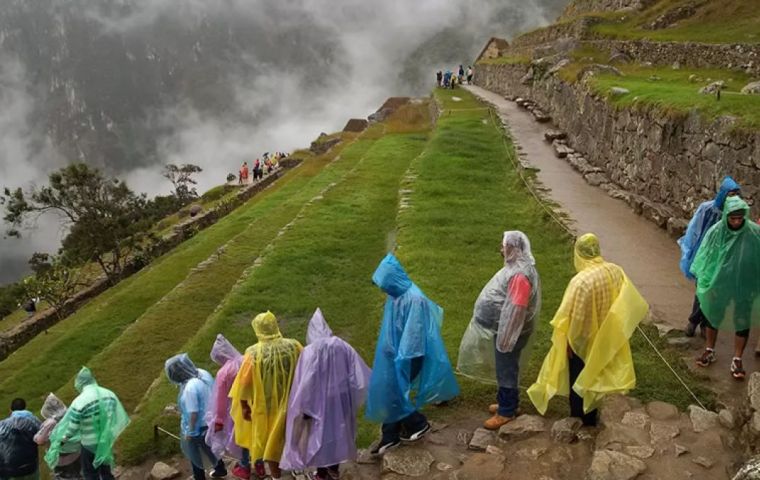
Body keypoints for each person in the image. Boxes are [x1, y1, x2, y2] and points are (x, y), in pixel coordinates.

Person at [528, 234, 648, 426]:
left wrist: (569, 342)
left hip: (585, 340)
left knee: (580, 378)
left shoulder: (581, 281)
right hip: (610, 334)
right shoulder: (616, 270)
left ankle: (580, 418)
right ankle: (598, 410)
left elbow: (575, 318)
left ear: (578, 253)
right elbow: (627, 300)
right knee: (601, 372)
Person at [366, 253, 459, 455]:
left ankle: (417, 424)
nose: (383, 290)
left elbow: (414, 339)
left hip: (410, 355)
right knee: (392, 388)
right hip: (398, 352)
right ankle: (391, 433)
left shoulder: (414, 300)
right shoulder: (396, 294)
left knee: (394, 390)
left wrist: (399, 359)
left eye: (384, 284)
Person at [457, 231, 541, 430]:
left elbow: (517, 309)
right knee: (507, 367)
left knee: (506, 369)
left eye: (504, 246)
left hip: (511, 332)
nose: (501, 249)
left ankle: (506, 411)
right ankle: (508, 403)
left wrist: (506, 337)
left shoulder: (520, 275)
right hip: (506, 329)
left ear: (513, 248)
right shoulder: (517, 268)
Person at [281, 308, 371, 479]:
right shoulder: (342, 345)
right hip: (342, 397)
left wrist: (303, 407)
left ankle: (322, 473)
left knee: (319, 436)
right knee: (338, 432)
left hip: (318, 403)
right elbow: (357, 374)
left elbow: (305, 383)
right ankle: (333, 468)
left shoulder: (309, 352)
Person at [691, 196, 760, 380]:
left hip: (744, 285)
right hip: (720, 283)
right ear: (727, 216)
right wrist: (706, 282)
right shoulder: (716, 232)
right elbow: (705, 257)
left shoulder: (753, 233)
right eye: (733, 218)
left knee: (742, 320)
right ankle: (709, 350)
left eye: (740, 218)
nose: (737, 221)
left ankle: (737, 359)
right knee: (713, 317)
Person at [229, 312, 302, 480]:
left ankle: (276, 476)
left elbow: (244, 384)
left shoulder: (253, 353)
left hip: (266, 406)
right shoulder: (294, 346)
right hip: (293, 400)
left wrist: (245, 406)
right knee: (290, 435)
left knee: (271, 443)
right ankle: (296, 468)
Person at [678, 176, 741, 337]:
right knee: (703, 289)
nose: (733, 198)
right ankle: (694, 322)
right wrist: (691, 250)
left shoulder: (736, 213)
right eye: (730, 194)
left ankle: (704, 324)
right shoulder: (707, 209)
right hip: (704, 255)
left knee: (715, 292)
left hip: (723, 258)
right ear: (723, 193)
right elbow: (695, 229)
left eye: (735, 194)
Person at [45, 368, 129, 480]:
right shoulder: (110, 394)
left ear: (80, 383)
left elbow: (72, 428)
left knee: (90, 474)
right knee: (106, 470)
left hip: (89, 444)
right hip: (106, 442)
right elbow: (116, 415)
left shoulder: (79, 401)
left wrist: (62, 440)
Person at [165, 354, 227, 480]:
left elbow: (193, 413)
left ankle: (199, 477)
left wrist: (191, 432)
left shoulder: (189, 389)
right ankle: (220, 469)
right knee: (209, 447)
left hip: (199, 426)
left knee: (194, 453)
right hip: (210, 419)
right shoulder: (201, 373)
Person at [204, 335, 248, 479]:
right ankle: (259, 465)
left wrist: (218, 421)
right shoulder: (245, 360)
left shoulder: (224, 372)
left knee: (240, 438)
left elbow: (220, 400)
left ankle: (244, 466)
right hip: (250, 404)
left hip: (234, 409)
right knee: (251, 434)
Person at [33, 394, 81, 480]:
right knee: (76, 474)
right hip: (77, 453)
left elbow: (39, 440)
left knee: (63, 477)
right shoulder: (72, 416)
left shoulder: (50, 423)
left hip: (60, 458)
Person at [0, 398, 41, 480]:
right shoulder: (34, 421)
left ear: (10, 409)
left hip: (8, 471)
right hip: (30, 468)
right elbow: (42, 439)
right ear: (25, 407)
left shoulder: (2, 425)